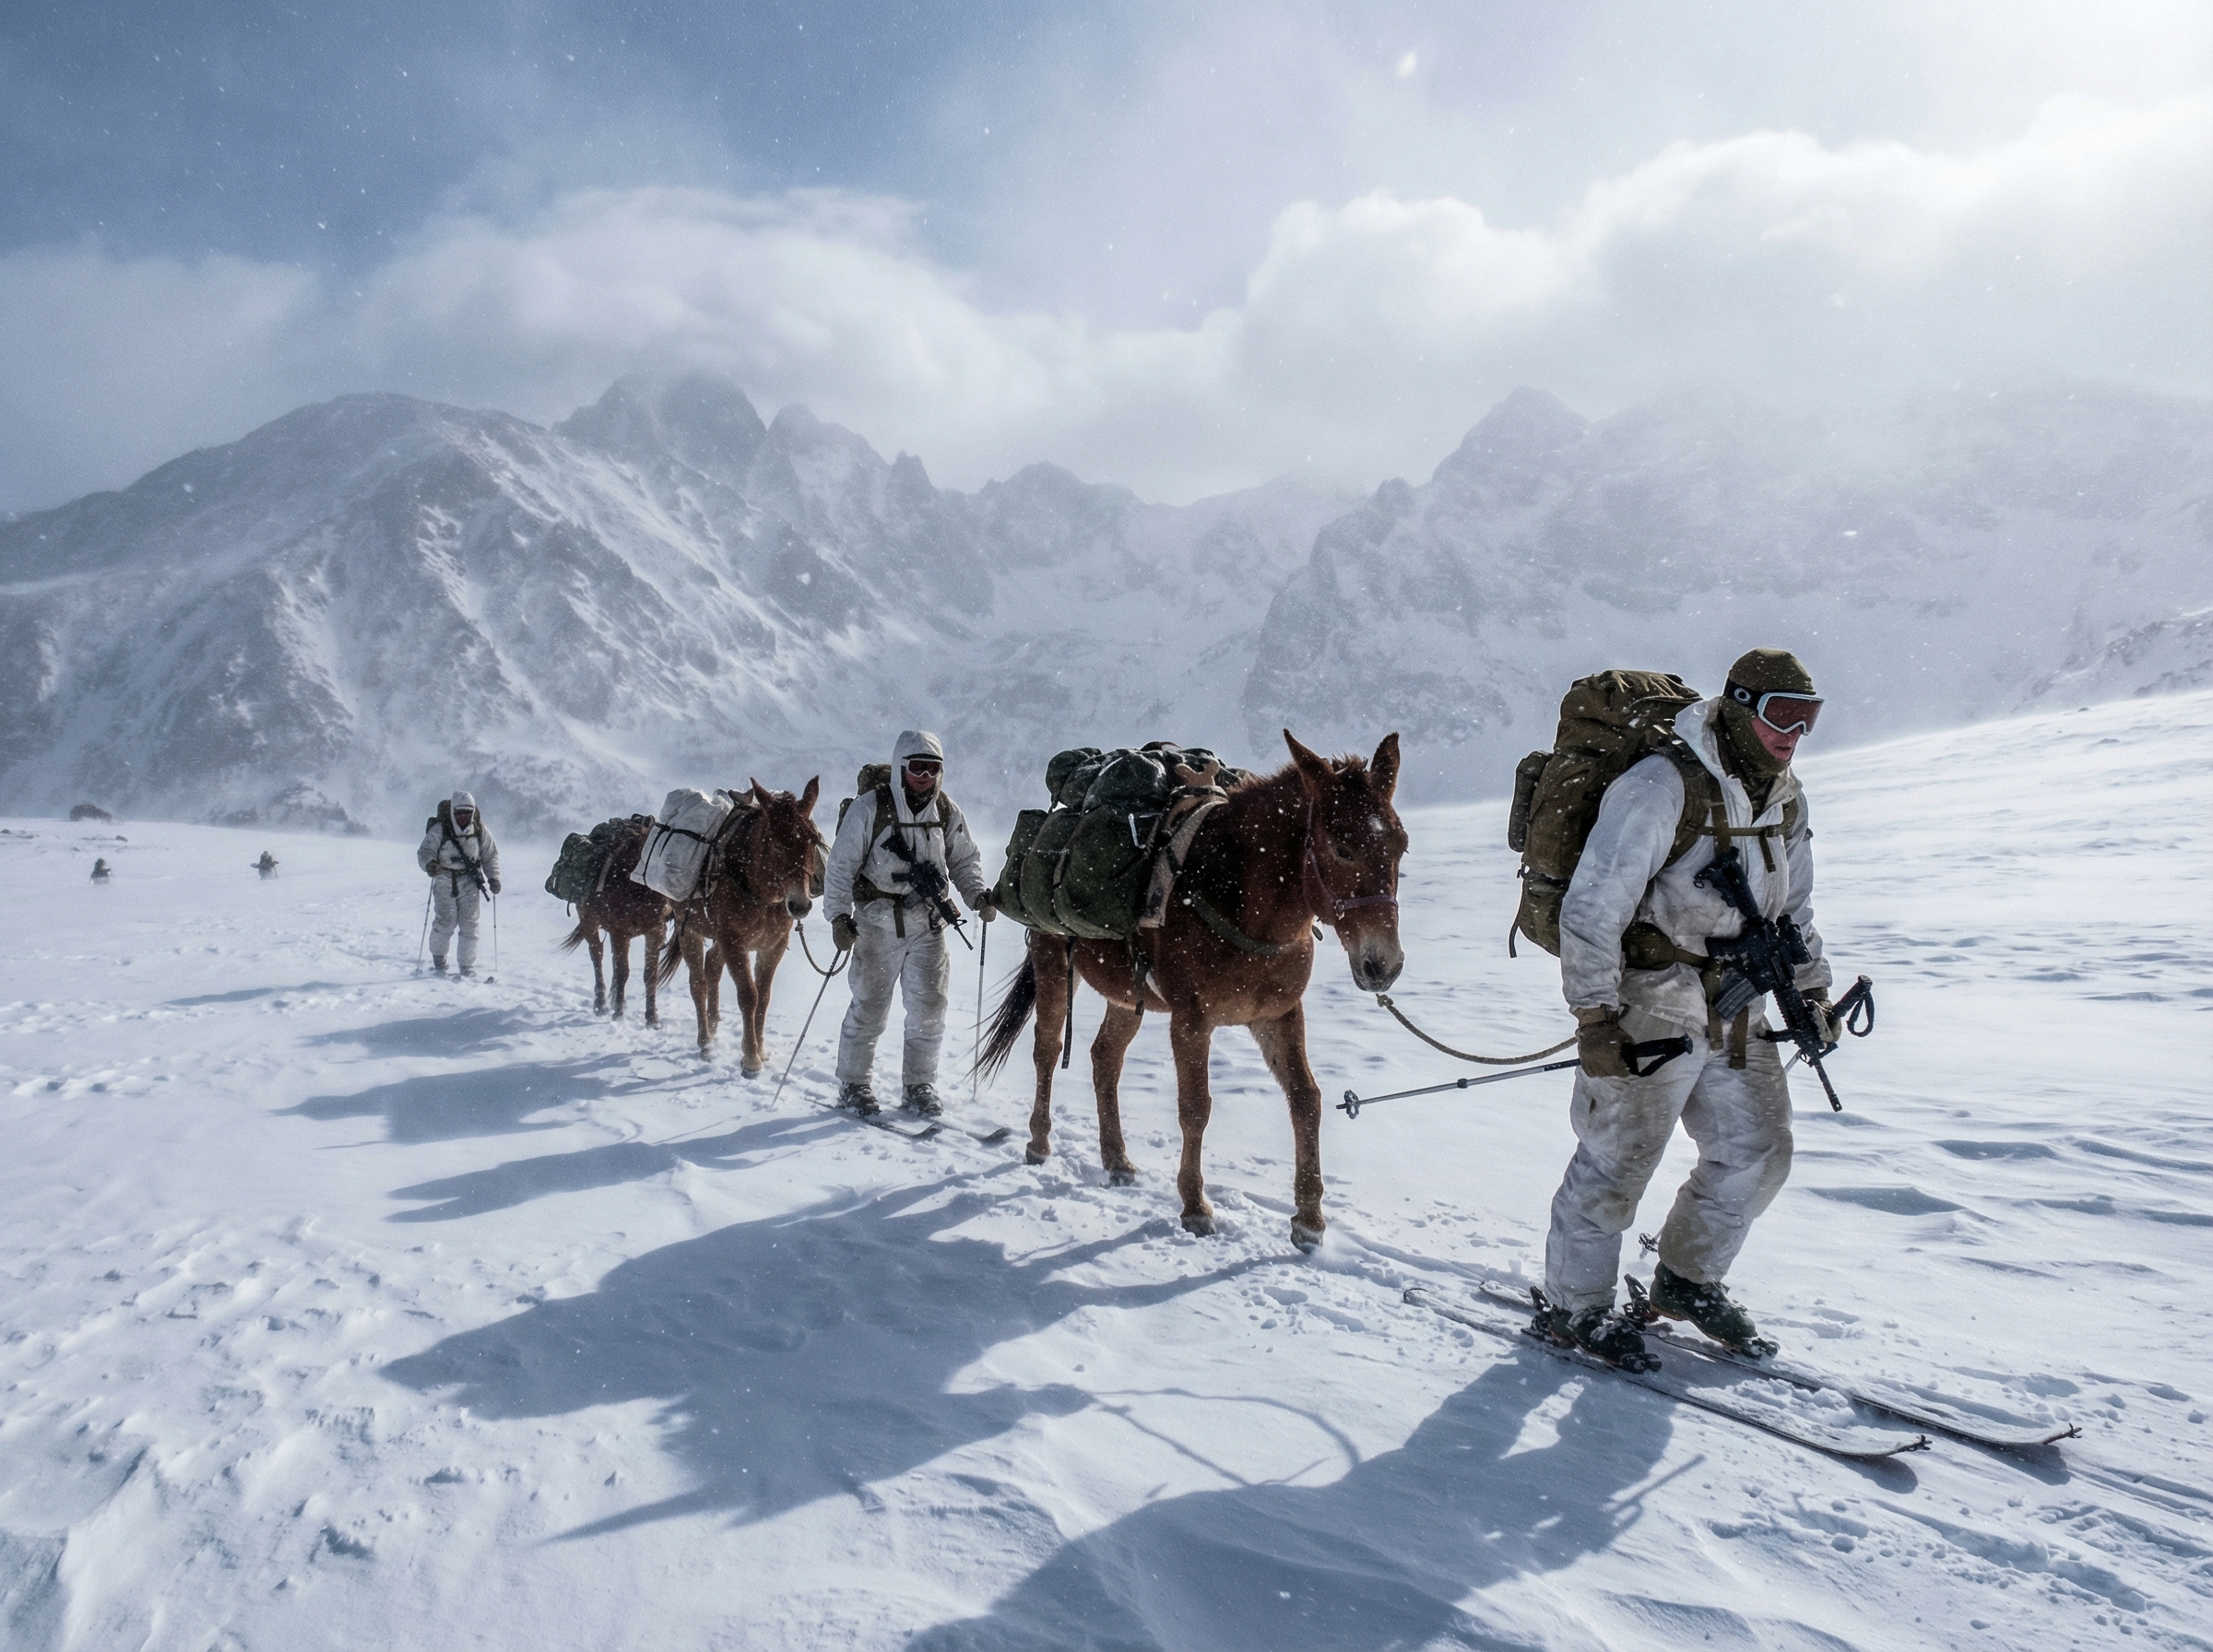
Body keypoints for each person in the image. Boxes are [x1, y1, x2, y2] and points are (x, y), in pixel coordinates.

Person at [1542, 648, 1839, 1368]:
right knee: (1619, 1158)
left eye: (1809, 719)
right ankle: (1573, 1305)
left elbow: (1793, 907)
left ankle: (1687, 1278)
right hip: (1653, 999)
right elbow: (1593, 905)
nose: (1793, 734)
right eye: (1780, 716)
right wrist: (1594, 1016)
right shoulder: (1660, 786)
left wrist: (1812, 991)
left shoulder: (1785, 797)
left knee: (1760, 1150)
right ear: (1739, 707)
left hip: (1739, 1001)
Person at [822, 731, 995, 1116]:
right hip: (876, 924)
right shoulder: (870, 808)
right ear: (901, 766)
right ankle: (853, 1084)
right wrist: (837, 916)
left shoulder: (945, 810)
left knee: (930, 1008)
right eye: (916, 767)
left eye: (933, 768)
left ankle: (919, 1085)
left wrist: (977, 895)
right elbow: (841, 866)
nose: (924, 775)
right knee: (869, 1006)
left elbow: (965, 860)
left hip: (929, 925)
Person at [417, 789, 502, 976]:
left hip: (470, 881)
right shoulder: (440, 829)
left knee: (470, 925)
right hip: (444, 878)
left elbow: (490, 855)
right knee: (445, 922)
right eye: (459, 812)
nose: (463, 816)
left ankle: (467, 967)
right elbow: (425, 851)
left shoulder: (480, 830)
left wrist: (494, 878)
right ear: (453, 811)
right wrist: (430, 865)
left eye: (467, 812)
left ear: (472, 812)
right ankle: (439, 960)